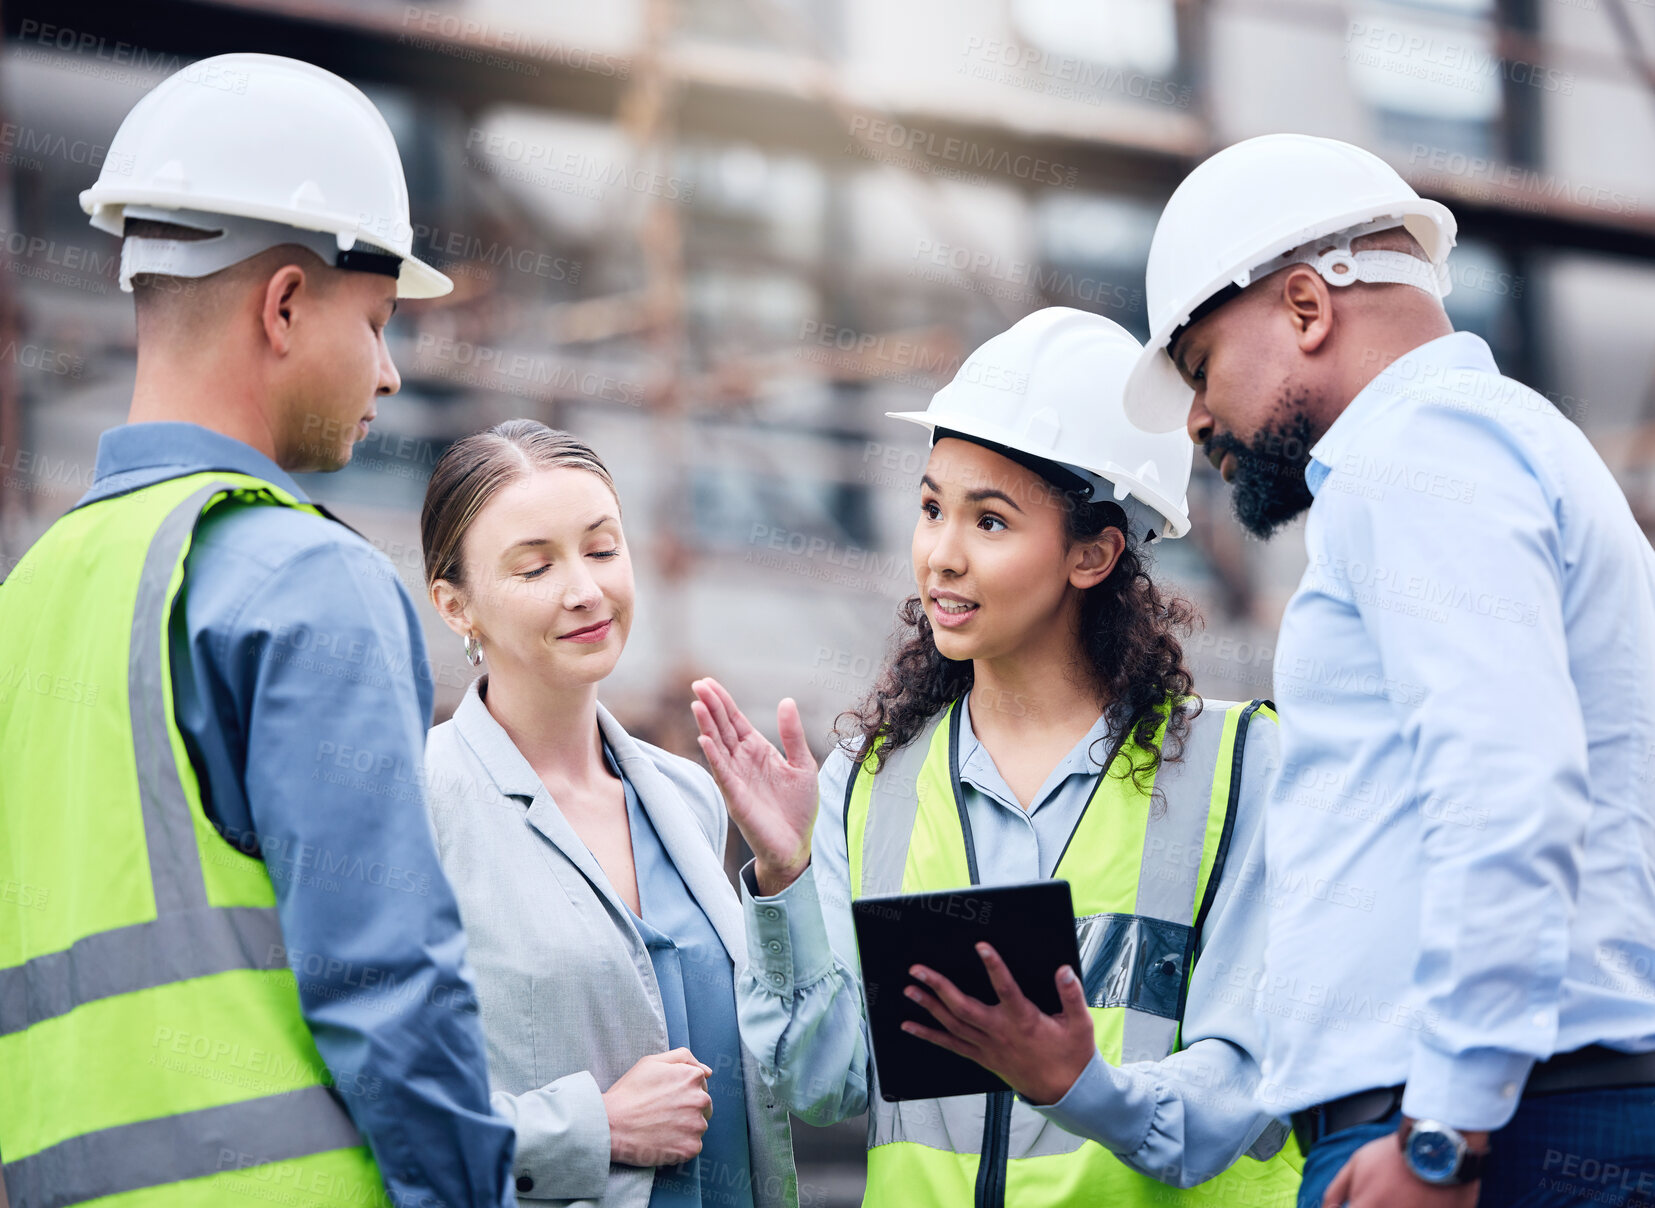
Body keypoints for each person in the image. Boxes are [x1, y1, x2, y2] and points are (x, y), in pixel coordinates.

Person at [0, 53, 519, 1208]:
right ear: (284, 303)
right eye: (379, 323)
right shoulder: (303, 580)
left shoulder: (26, 599)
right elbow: (389, 983)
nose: (389, 374)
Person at [1122, 131, 1655, 1207]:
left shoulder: (1420, 447)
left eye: (1198, 367)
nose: (1195, 420)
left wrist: (1442, 1132)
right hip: (1510, 1114)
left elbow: (1502, 779)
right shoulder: (1483, 444)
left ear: (1307, 308)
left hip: (1491, 1133)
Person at [690, 308, 1304, 1205]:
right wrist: (783, 878)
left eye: (990, 522)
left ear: (1092, 552)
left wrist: (1079, 1088)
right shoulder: (868, 781)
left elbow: (1248, 1085)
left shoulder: (1237, 767)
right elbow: (824, 1084)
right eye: (932, 507)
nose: (940, 555)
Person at [418, 420, 797, 1208]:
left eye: (601, 549)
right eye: (534, 566)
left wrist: (786, 872)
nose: (585, 589)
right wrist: (592, 1128)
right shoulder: (417, 804)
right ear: (456, 607)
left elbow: (795, 1067)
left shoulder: (685, 796)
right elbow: (376, 1101)